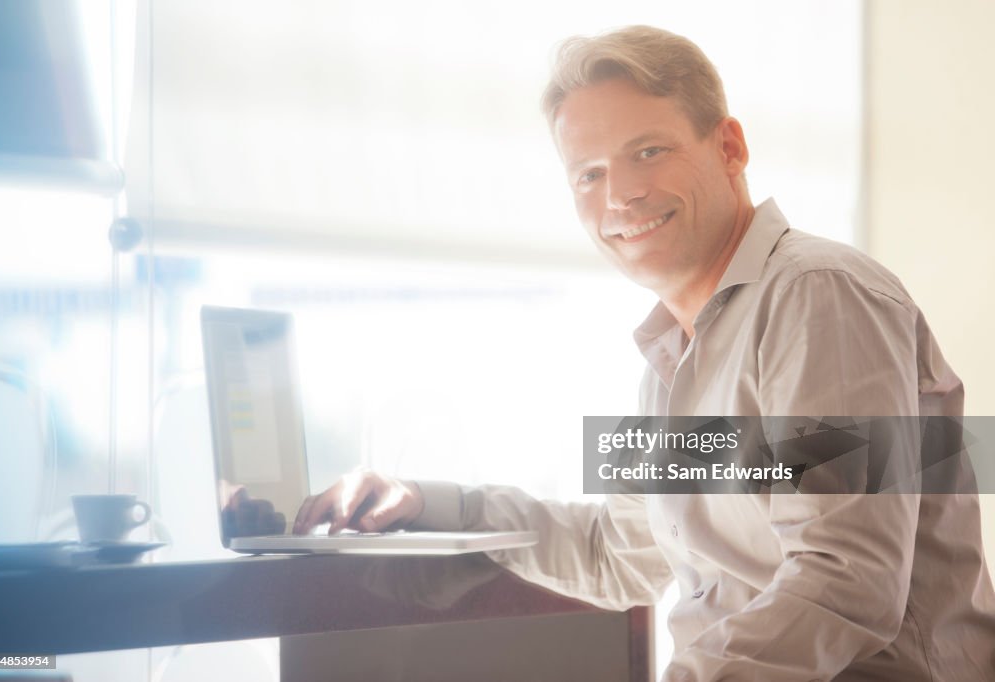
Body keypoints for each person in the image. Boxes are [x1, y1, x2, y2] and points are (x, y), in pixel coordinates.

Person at [292, 26, 995, 680]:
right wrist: (428, 503)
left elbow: (848, 578)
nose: (620, 194)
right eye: (588, 174)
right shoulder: (670, 357)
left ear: (729, 148)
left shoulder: (816, 295)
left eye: (648, 152)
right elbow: (614, 553)